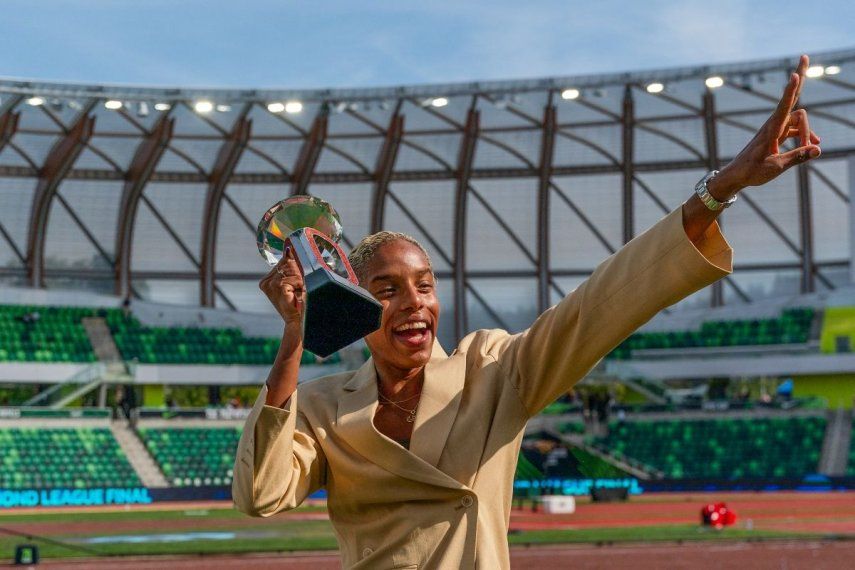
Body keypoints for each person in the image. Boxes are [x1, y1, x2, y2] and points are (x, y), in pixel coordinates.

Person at [233, 56, 822, 569]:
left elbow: (602, 305)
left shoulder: (491, 370)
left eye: (426, 284)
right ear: (356, 302)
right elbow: (261, 495)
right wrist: (295, 334)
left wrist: (719, 189)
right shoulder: (320, 408)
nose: (415, 302)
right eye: (386, 290)